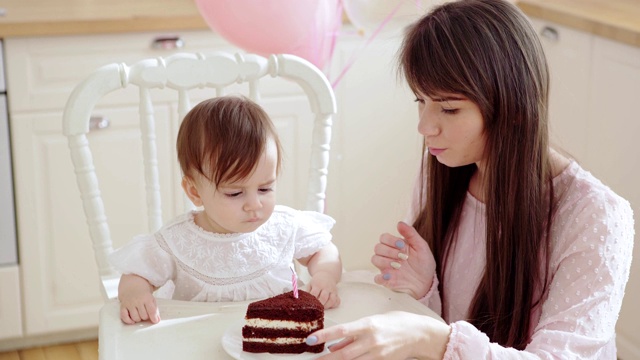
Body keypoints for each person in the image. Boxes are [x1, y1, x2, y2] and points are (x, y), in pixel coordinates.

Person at [306, 0, 634, 358]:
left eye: (449, 108)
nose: (425, 127)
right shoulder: (447, 173)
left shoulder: (597, 217)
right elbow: (456, 329)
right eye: (421, 101)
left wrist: (434, 339)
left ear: (512, 106)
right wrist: (425, 288)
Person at [109, 95, 342, 324]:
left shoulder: (284, 226)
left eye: (265, 188)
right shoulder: (177, 241)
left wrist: (324, 276)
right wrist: (135, 294)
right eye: (234, 193)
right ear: (195, 192)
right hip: (198, 342)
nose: (254, 204)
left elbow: (323, 251)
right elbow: (136, 275)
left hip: (275, 340)